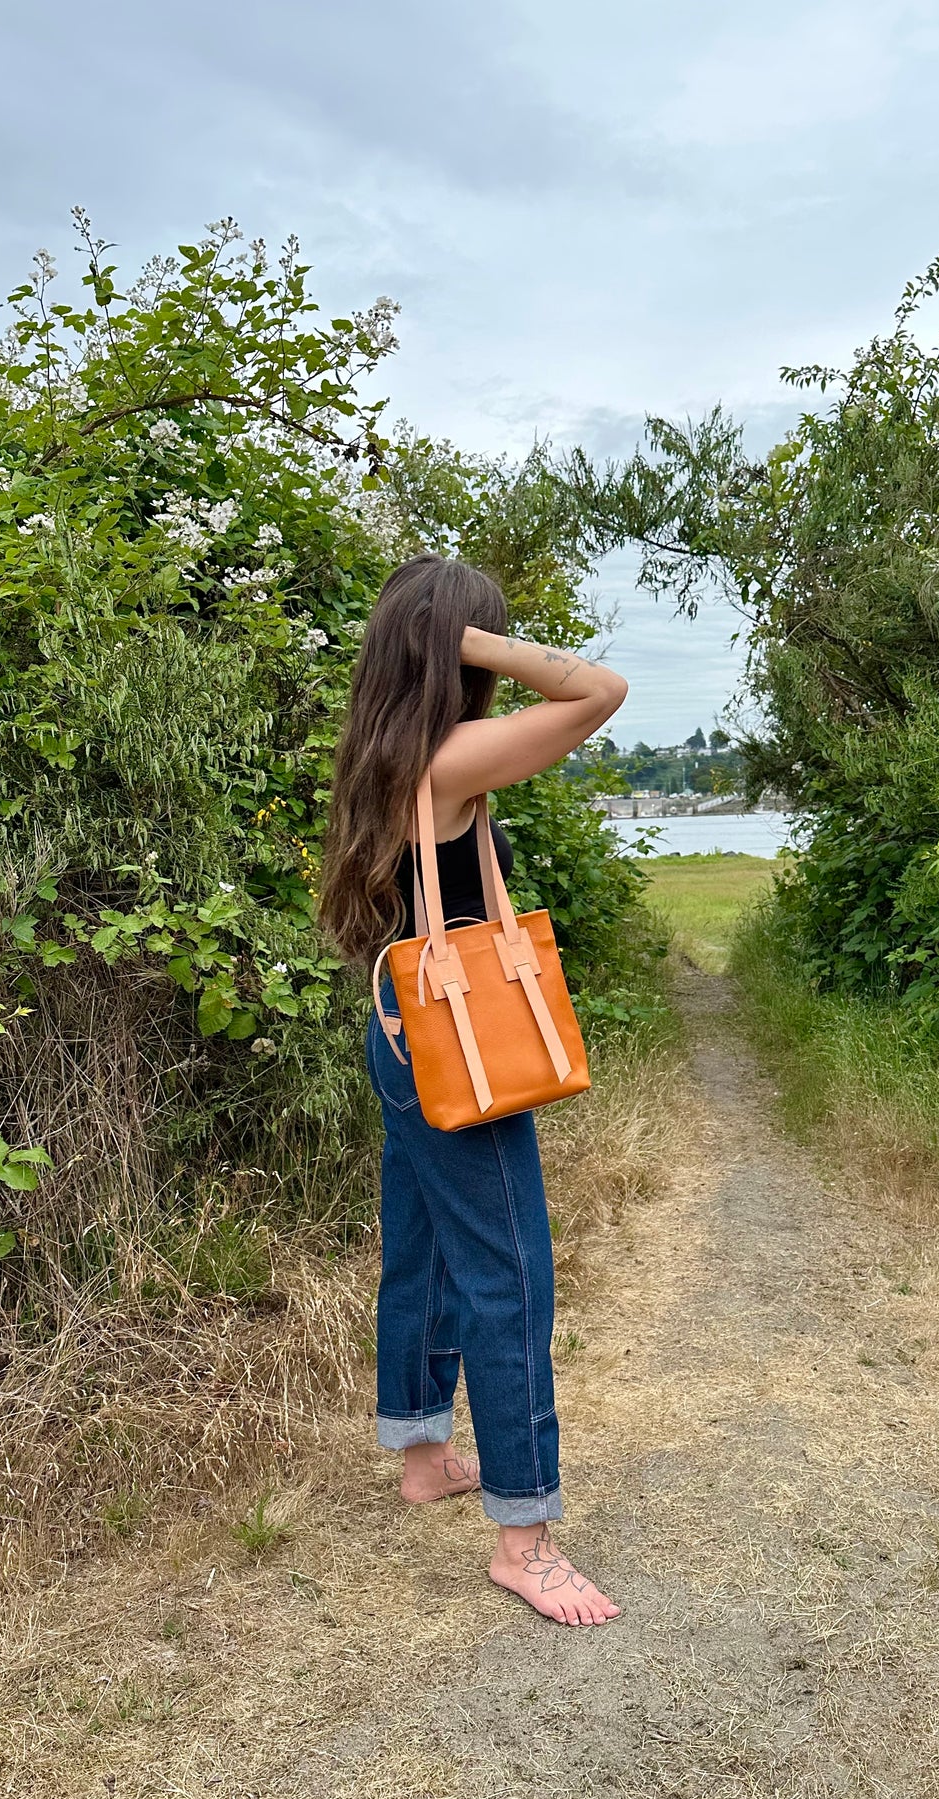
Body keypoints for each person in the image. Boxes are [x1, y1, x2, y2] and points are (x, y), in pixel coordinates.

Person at [319, 552, 628, 1627]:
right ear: (448, 650)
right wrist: (469, 639)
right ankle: (524, 1538)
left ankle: (419, 1450)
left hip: (397, 1024)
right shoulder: (449, 754)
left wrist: (429, 631)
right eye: (476, 641)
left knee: (423, 1245)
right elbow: (598, 691)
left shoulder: (377, 750)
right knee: (510, 1274)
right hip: (460, 1039)